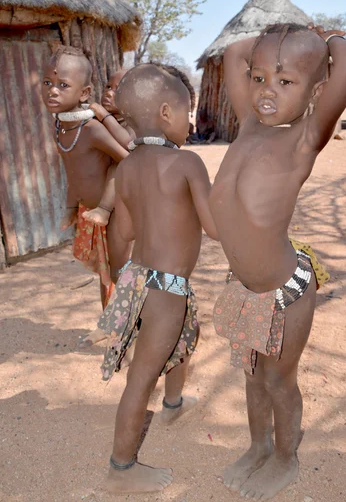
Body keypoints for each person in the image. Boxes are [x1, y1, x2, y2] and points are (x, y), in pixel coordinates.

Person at [210, 23, 346, 500]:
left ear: (315, 90)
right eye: (259, 80)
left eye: (285, 81)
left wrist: (329, 38)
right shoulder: (250, 124)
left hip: (284, 292)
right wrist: (274, 43)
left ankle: (284, 457)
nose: (267, 92)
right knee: (252, 375)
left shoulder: (304, 139)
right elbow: (236, 50)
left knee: (278, 380)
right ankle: (258, 447)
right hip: (244, 287)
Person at [96, 63, 218, 495]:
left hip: (139, 280)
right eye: (188, 113)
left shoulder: (127, 169)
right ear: (167, 113)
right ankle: (121, 468)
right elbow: (216, 227)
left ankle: (174, 403)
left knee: (186, 338)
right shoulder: (187, 163)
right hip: (168, 288)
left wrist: (115, 279)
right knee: (142, 376)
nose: (190, 122)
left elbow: (123, 233)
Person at [42, 46, 131, 344]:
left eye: (62, 85)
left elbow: (128, 159)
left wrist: (106, 206)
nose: (52, 91)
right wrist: (71, 208)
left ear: (84, 93)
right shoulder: (62, 127)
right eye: (47, 83)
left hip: (118, 212)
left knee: (118, 273)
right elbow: (73, 172)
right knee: (105, 275)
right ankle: (110, 325)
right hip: (89, 211)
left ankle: (129, 331)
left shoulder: (92, 128)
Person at [81, 69, 136, 227]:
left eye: (117, 89)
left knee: (116, 167)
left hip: (121, 196)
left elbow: (128, 144)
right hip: (93, 195)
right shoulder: (94, 120)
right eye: (108, 87)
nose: (109, 93)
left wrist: (104, 115)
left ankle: (103, 210)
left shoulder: (132, 122)